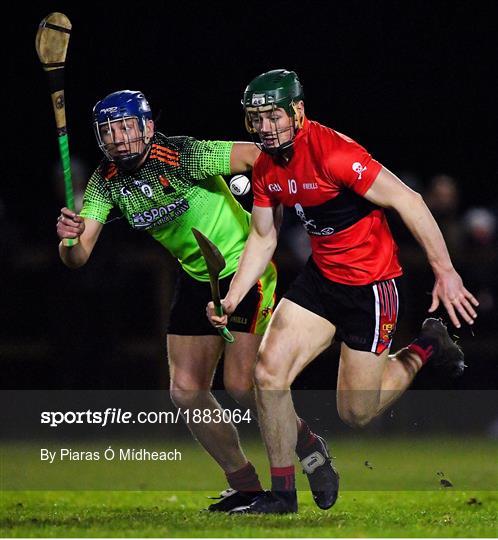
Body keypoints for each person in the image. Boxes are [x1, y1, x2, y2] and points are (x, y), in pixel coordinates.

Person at [207, 69, 479, 514]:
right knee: (268, 373)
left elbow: (408, 200)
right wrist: (235, 295)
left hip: (372, 288)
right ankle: (282, 495)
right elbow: (262, 237)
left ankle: (427, 346)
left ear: (297, 111)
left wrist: (444, 271)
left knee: (357, 413)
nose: (265, 128)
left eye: (274, 116)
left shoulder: (335, 153)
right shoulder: (264, 165)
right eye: (256, 120)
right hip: (322, 281)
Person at [56, 89, 338, 512]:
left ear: (147, 127)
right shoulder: (105, 181)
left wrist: (273, 211)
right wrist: (68, 238)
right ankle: (244, 484)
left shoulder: (184, 155)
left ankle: (310, 448)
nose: (118, 138)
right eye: (109, 131)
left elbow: (254, 156)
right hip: (196, 277)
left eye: (126, 126)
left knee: (243, 386)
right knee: (186, 391)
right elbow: (78, 257)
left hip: (245, 269)